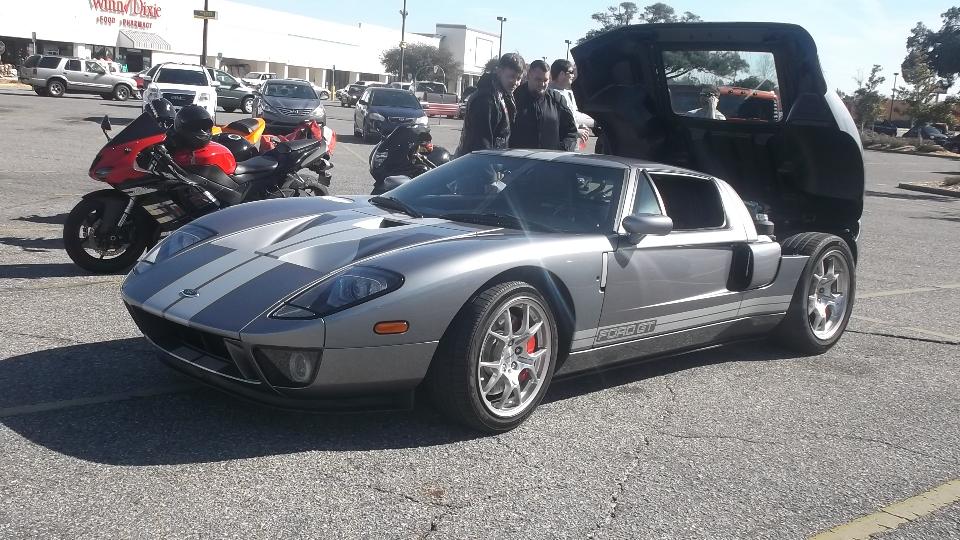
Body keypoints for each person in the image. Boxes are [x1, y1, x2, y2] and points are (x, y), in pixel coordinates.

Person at [455, 53, 525, 157]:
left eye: (519, 78)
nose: (516, 82)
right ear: (499, 72)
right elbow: (481, 143)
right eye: (511, 77)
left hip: (490, 159)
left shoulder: (503, 95)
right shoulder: (485, 99)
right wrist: (490, 165)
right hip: (477, 162)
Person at [509, 60, 579, 151]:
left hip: (549, 158)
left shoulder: (557, 100)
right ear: (529, 76)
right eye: (538, 79)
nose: (542, 84)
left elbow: (571, 132)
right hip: (518, 158)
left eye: (545, 80)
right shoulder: (513, 98)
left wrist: (563, 150)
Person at [547, 59, 593, 149]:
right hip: (558, 147)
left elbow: (571, 117)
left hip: (572, 145)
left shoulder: (569, 94)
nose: (573, 75)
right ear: (561, 74)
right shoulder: (548, 95)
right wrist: (576, 131)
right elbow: (553, 123)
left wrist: (579, 125)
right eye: (571, 72)